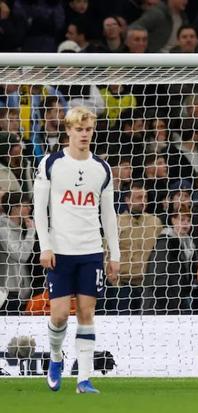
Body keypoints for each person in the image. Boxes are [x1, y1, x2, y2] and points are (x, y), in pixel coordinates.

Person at [33, 106, 120, 393]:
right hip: (60, 251)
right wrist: (45, 247)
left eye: (88, 130)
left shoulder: (102, 168)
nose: (84, 134)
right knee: (58, 315)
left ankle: (83, 379)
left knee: (86, 312)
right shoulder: (51, 163)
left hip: (91, 252)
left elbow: (108, 215)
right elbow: (39, 210)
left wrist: (115, 254)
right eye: (79, 129)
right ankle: (56, 357)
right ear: (68, 130)